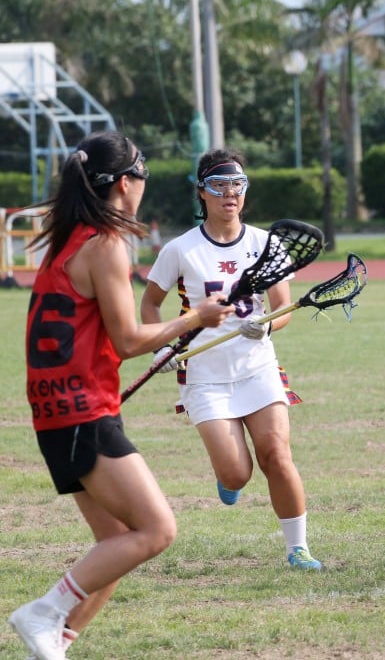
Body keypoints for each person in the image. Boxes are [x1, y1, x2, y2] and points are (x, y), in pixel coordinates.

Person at [8, 131, 234, 660]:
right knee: (156, 530)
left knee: (118, 544)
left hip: (56, 412)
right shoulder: (106, 243)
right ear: (125, 183)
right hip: (81, 410)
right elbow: (129, 339)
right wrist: (196, 317)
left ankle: (56, 642)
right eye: (143, 176)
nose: (143, 188)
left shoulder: (66, 237)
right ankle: (42, 613)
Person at [139, 148, 323, 571]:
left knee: (276, 455)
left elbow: (284, 307)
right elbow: (150, 305)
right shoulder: (180, 249)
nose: (230, 193)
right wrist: (162, 345)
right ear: (201, 192)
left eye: (237, 184)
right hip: (205, 377)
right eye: (219, 185)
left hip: (257, 368)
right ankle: (228, 479)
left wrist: (268, 325)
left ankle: (298, 548)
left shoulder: (265, 242)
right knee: (238, 474)